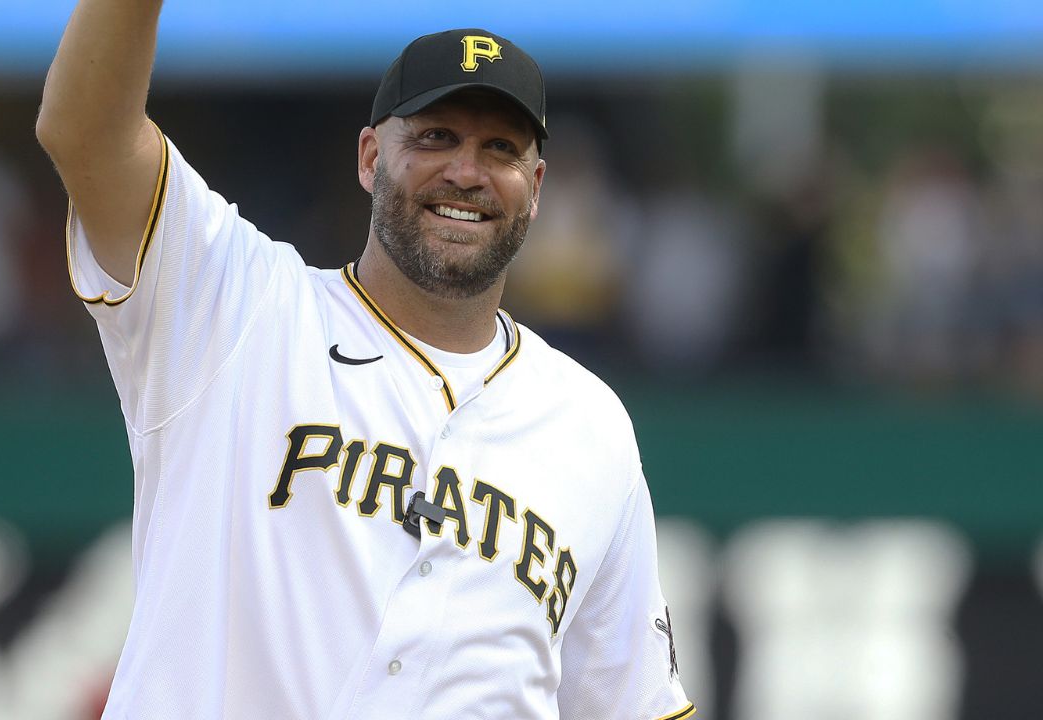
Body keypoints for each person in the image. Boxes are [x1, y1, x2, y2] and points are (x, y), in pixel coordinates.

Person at [37, 3, 694, 718]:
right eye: (436, 137)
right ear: (371, 157)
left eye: (501, 148)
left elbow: (634, 702)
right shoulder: (236, 304)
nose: (467, 172)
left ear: (535, 190)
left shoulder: (589, 425)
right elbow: (85, 134)